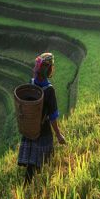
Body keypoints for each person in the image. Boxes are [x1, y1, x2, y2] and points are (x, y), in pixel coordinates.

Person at [17, 52, 66, 185]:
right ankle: (42, 185)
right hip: (43, 131)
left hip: (30, 128)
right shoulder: (49, 90)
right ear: (49, 69)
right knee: (47, 158)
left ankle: (31, 184)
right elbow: (53, 116)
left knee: (32, 161)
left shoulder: (31, 83)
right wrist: (59, 135)